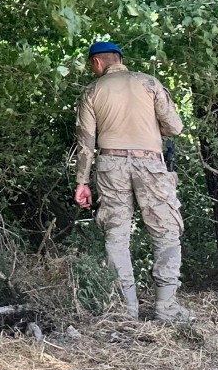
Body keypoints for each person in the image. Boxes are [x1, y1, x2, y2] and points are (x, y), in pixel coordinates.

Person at [74, 41, 192, 322]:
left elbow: (85, 143)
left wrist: (82, 181)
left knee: (117, 234)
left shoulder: (92, 92)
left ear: (97, 63)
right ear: (120, 60)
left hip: (110, 165)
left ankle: (127, 310)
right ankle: (166, 307)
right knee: (165, 230)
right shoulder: (149, 83)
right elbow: (175, 127)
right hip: (150, 163)